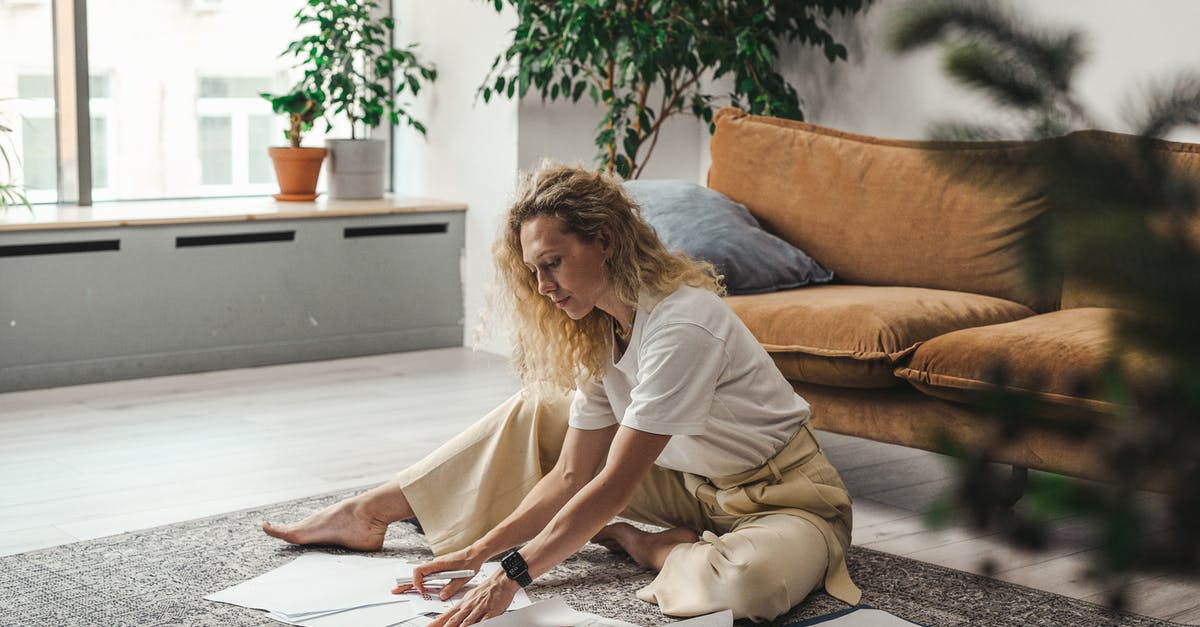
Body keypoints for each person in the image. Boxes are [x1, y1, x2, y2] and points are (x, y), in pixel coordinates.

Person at [262, 163, 860, 625]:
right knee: (541, 412)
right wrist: (483, 552)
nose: (544, 287)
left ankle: (643, 545)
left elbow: (612, 485)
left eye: (553, 263)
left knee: (744, 589)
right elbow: (573, 475)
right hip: (694, 487)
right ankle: (370, 511)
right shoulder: (601, 331)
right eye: (534, 272)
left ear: (603, 240)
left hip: (787, 500)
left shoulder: (683, 326)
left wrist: (516, 574)